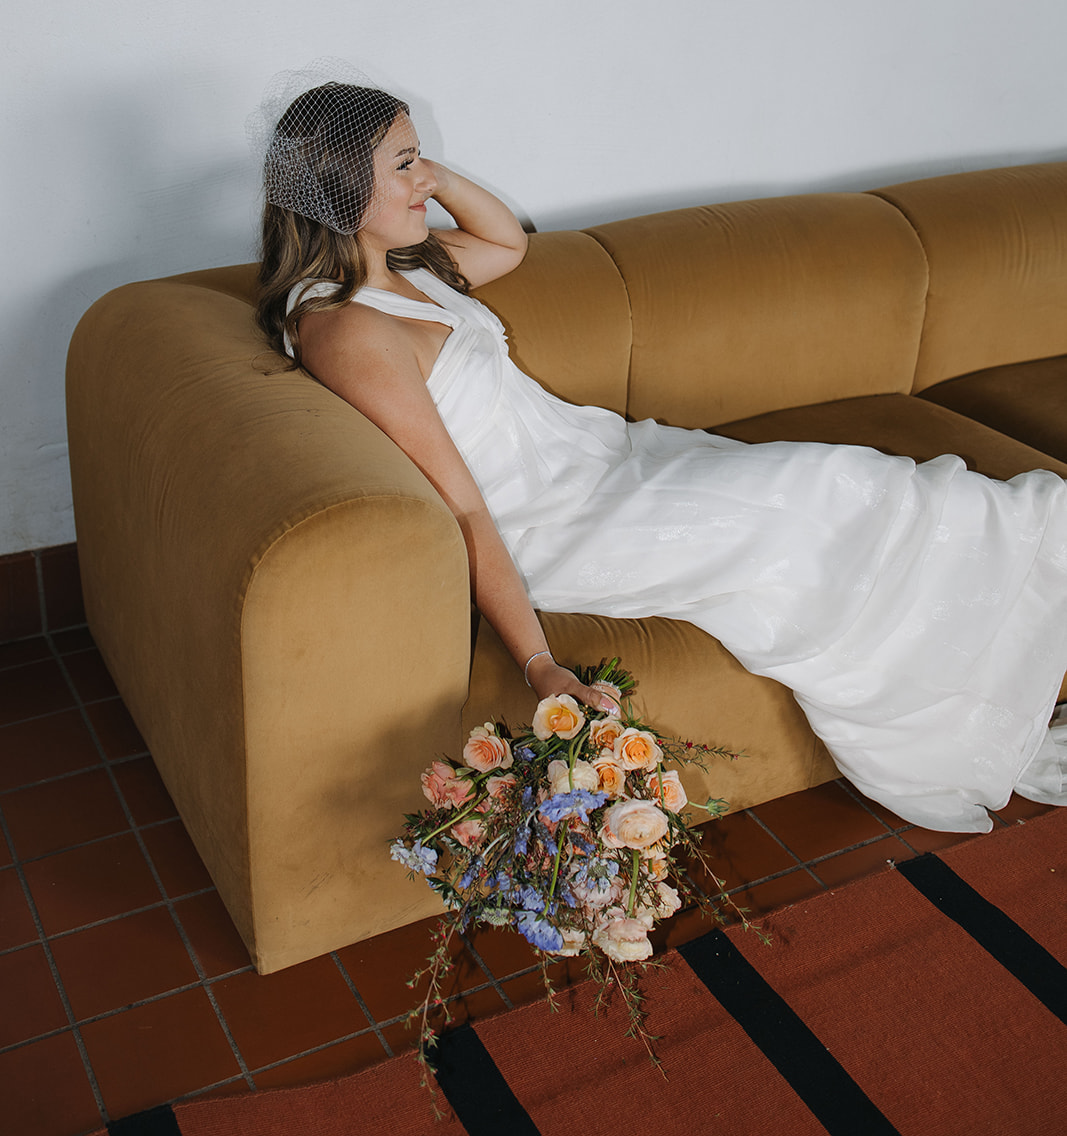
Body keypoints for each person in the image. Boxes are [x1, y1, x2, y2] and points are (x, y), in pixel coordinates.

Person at [256, 80, 1067, 834]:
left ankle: (1022, 615)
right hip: (557, 520)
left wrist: (429, 172)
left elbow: (507, 241)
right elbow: (463, 505)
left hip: (603, 460)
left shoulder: (405, 271)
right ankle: (977, 686)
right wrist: (539, 664)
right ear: (336, 192)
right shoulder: (350, 330)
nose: (424, 179)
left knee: (835, 478)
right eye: (403, 164)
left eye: (420, 155)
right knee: (820, 485)